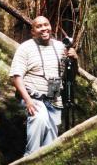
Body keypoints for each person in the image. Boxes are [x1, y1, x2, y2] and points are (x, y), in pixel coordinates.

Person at [10, 16, 77, 156]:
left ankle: (47, 163)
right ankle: (29, 159)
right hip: (34, 97)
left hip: (54, 97)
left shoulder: (60, 47)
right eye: (39, 26)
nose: (44, 28)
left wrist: (74, 59)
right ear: (33, 31)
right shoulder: (25, 48)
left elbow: (71, 74)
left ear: (51, 27)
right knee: (40, 119)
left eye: (46, 24)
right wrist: (27, 100)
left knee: (51, 138)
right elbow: (16, 77)